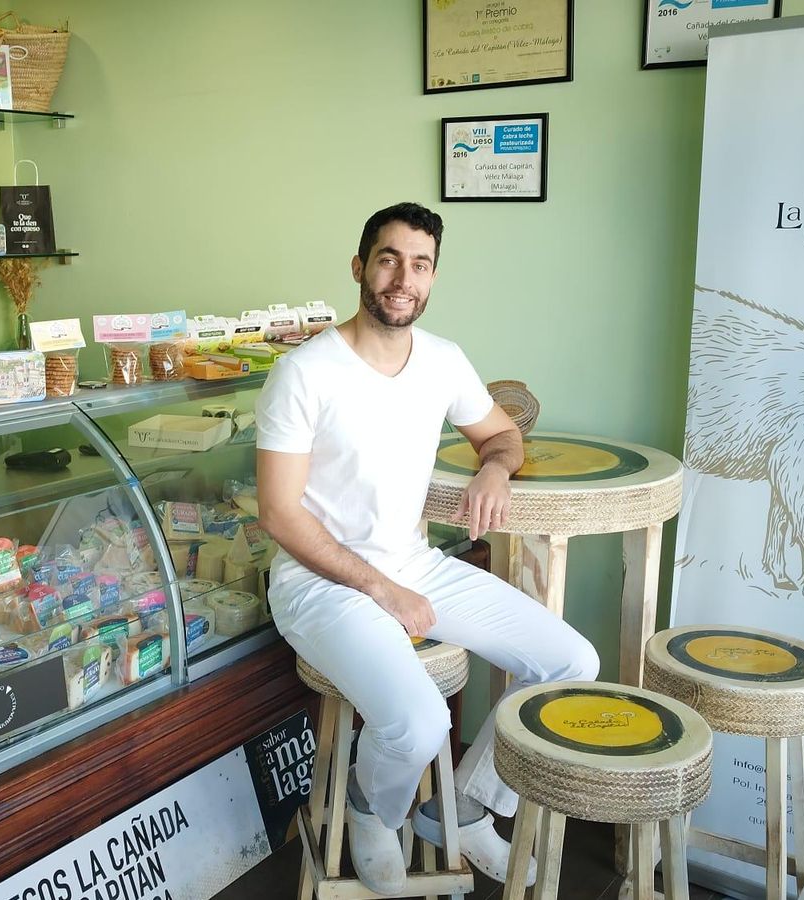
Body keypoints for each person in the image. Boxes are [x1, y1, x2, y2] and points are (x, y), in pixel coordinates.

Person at [256, 202, 599, 894]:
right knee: (415, 721)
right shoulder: (305, 371)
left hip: (415, 564)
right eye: (388, 259)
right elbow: (279, 514)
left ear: (433, 276)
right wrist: (383, 591)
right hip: (319, 583)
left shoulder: (444, 361)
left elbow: (504, 436)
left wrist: (496, 468)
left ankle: (464, 808)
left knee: (571, 661)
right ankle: (370, 809)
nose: (402, 277)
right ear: (360, 267)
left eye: (419, 264)